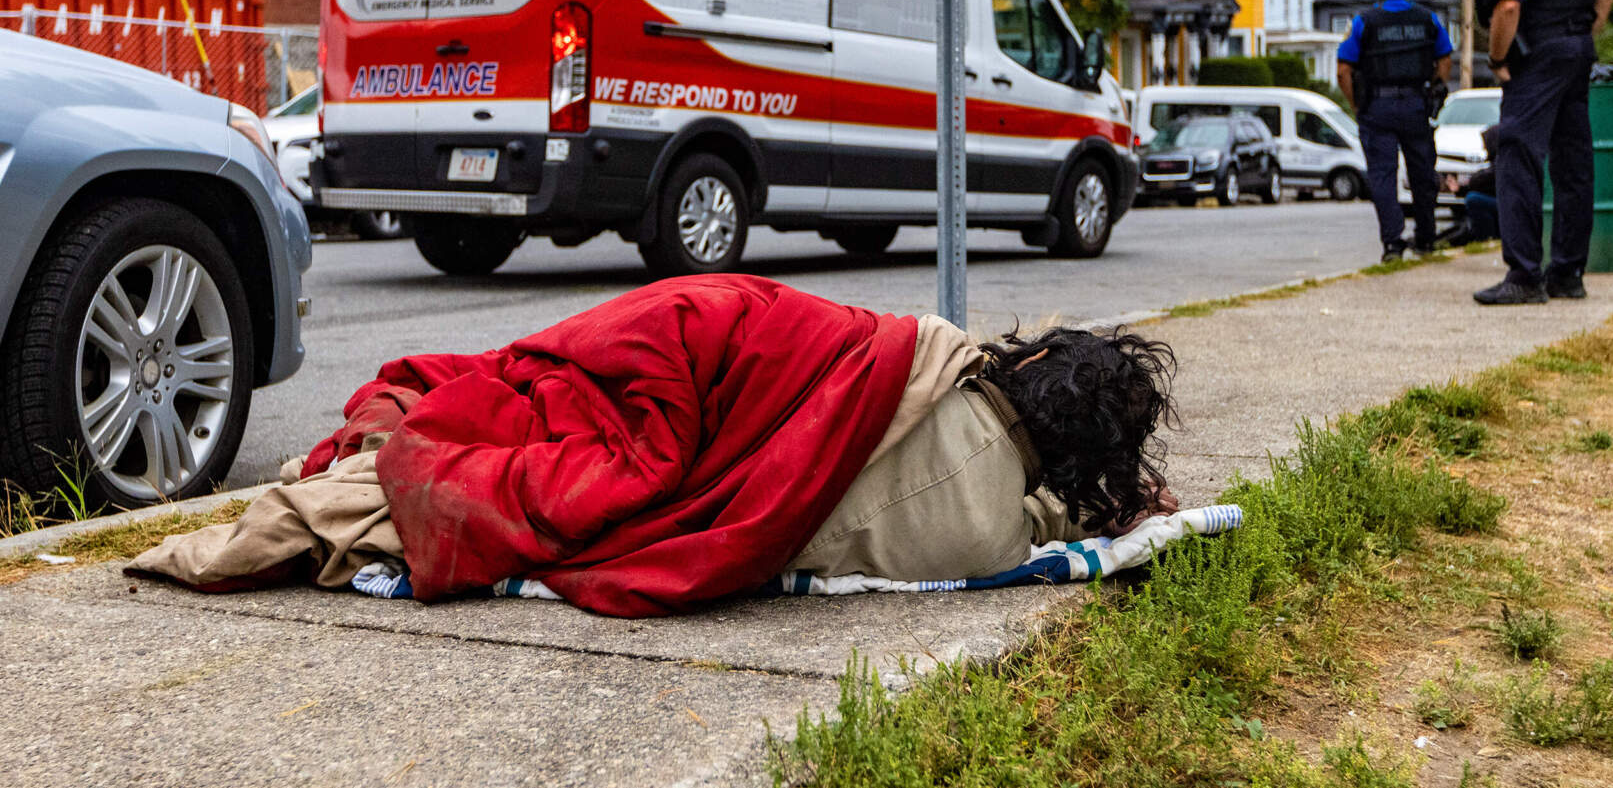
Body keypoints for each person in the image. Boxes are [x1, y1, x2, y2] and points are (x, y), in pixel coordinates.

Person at [129, 277, 1182, 614]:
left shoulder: (927, 358)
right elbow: (1032, 527)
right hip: (707, 394)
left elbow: (744, 331)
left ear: (1034, 368)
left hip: (706, 353)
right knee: (557, 444)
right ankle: (385, 466)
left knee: (527, 404)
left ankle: (388, 451)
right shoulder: (991, 529)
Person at [1474, 0, 1613, 306]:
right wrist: (1578, 39)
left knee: (1518, 155)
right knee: (1574, 164)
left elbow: (1508, 5)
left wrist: (1498, 58)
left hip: (1538, 57)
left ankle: (1524, 275)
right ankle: (1568, 273)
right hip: (1579, 52)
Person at [1336, 0, 1454, 261]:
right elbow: (1444, 60)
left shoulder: (1364, 21)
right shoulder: (1427, 19)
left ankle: (1392, 244)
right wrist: (1433, 92)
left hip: (1377, 106)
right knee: (1423, 174)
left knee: (1383, 177)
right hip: (1416, 105)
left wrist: (1356, 105)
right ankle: (1426, 239)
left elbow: (1343, 70)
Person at [1437, 125, 1501, 246]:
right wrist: (1460, 189)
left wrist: (1467, 186)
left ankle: (1486, 238)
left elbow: (1484, 180)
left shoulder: (1502, 161)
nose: (1484, 147)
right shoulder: (1501, 160)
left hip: (1508, 206)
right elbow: (1487, 185)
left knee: (1474, 199)